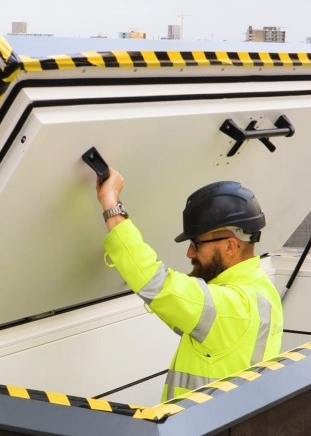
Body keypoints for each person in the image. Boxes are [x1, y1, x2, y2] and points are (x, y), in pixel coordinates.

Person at [97, 171, 283, 401]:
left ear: (230, 247)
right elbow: (176, 305)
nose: (189, 253)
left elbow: (159, 285)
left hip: (203, 432)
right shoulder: (262, 288)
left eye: (196, 244)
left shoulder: (232, 308)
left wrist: (111, 204)